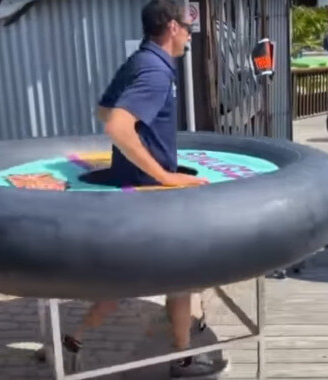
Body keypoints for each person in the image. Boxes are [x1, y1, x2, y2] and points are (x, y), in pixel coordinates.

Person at [61, 1, 228, 378]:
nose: (189, 34)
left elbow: (104, 109)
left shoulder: (140, 60)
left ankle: (76, 336)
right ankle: (183, 358)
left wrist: (139, 153)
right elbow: (117, 126)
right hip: (152, 195)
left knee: (129, 276)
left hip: (132, 190)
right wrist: (165, 176)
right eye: (187, 27)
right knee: (180, 278)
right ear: (171, 27)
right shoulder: (155, 72)